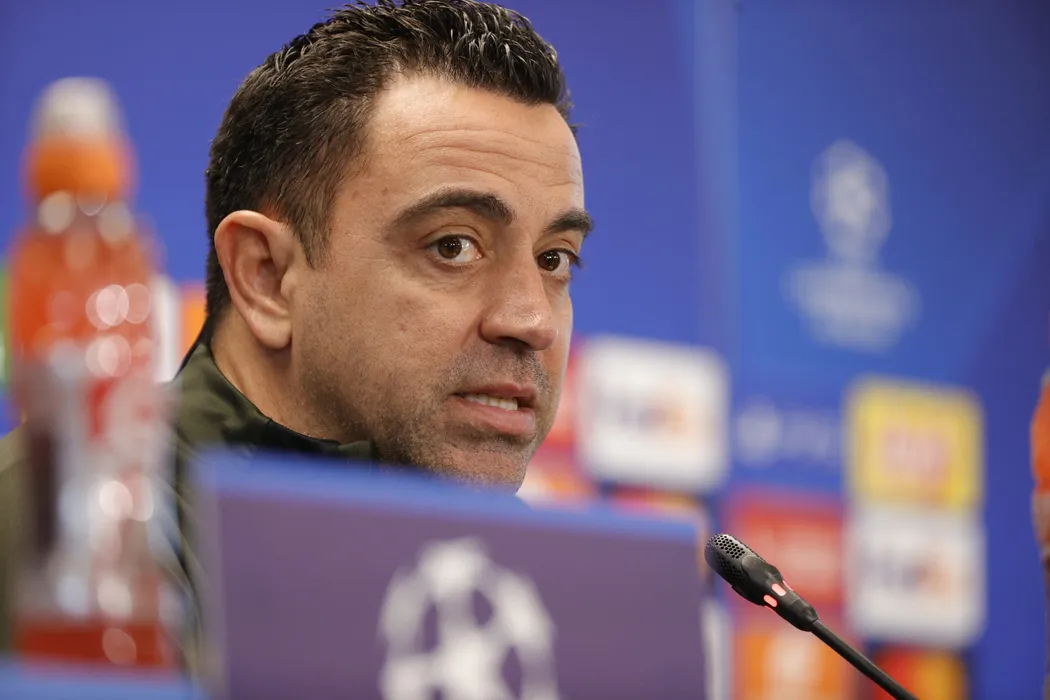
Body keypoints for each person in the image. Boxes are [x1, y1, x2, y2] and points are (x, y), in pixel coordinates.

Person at [0, 0, 589, 657]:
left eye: (554, 259)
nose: (532, 320)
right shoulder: (45, 542)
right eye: (453, 246)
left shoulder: (547, 595)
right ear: (267, 277)